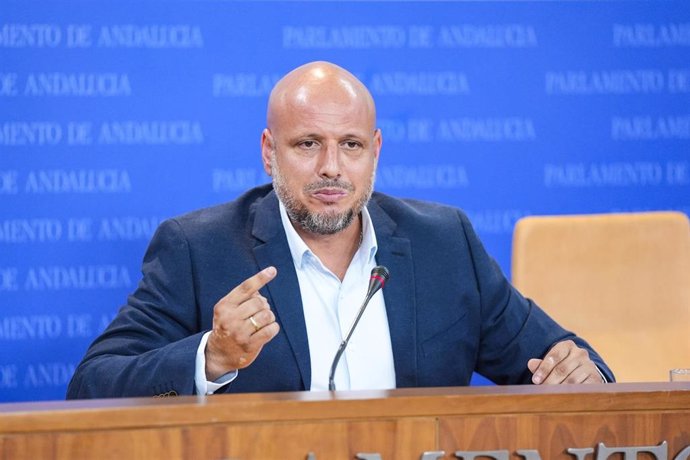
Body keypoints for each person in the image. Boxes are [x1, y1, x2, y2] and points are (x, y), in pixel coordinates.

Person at [66, 61, 613, 399]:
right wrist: (211, 357)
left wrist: (583, 374)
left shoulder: (445, 241)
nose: (332, 166)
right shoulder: (199, 249)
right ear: (268, 153)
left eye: (350, 145)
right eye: (307, 144)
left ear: (374, 152)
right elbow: (92, 386)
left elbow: (567, 362)